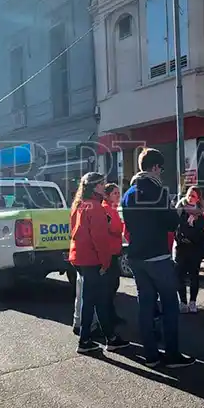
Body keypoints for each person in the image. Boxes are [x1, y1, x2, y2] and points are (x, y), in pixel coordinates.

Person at [121, 148, 194, 368]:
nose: (161, 172)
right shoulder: (159, 192)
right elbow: (171, 223)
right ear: (154, 167)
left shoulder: (128, 193)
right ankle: (172, 355)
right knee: (170, 304)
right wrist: (177, 211)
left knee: (145, 305)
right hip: (157, 255)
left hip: (136, 255)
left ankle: (151, 355)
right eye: (160, 168)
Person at [68, 172, 129, 354]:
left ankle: (107, 337)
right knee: (94, 300)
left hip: (79, 257)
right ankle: (86, 340)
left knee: (95, 299)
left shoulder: (79, 204)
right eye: (102, 184)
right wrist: (105, 262)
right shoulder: (96, 207)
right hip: (93, 259)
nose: (104, 187)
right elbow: (99, 239)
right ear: (95, 187)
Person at [174, 186, 204, 313]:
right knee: (180, 276)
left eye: (193, 196)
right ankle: (183, 302)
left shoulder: (201, 213)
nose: (190, 198)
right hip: (181, 248)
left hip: (195, 249)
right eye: (189, 195)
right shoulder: (180, 209)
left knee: (194, 276)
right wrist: (185, 230)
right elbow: (175, 228)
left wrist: (193, 227)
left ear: (198, 199)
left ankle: (193, 302)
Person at [102, 183, 124, 326]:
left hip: (114, 251)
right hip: (109, 253)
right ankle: (108, 317)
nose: (118, 195)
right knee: (109, 286)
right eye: (115, 193)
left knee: (113, 284)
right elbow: (115, 228)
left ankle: (111, 314)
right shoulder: (106, 209)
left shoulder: (112, 208)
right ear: (107, 195)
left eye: (118, 193)